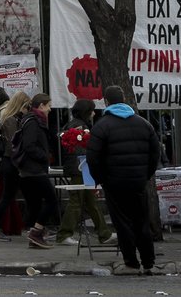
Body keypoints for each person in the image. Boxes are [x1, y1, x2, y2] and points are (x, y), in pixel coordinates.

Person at [86, 85, 162, 275]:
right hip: (138, 182)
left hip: (114, 182)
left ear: (106, 101)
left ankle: (131, 262)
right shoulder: (144, 123)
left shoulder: (102, 125)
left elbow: (93, 158)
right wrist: (145, 174)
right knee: (141, 221)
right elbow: (155, 153)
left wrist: (100, 179)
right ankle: (148, 261)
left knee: (122, 222)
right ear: (124, 99)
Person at [56, 98, 114, 246]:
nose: (94, 113)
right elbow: (81, 150)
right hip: (80, 168)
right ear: (86, 112)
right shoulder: (81, 127)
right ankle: (64, 234)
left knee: (90, 201)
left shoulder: (74, 124)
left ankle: (104, 233)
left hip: (78, 167)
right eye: (92, 111)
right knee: (77, 201)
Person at [15, 93, 59, 249]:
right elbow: (29, 146)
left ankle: (36, 236)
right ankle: (36, 232)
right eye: (48, 106)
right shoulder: (33, 122)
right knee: (52, 201)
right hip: (33, 170)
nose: (50, 109)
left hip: (30, 169)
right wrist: (44, 156)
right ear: (41, 106)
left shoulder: (33, 120)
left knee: (34, 205)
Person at [0, 90, 31, 241]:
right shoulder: (11, 120)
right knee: (7, 197)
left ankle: (33, 227)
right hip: (11, 163)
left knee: (9, 196)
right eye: (26, 106)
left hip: (12, 163)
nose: (28, 110)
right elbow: (14, 145)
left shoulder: (13, 119)